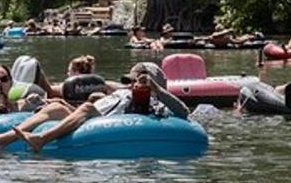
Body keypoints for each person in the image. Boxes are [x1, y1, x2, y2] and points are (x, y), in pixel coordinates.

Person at [11, 62, 190, 153]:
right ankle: (0, 140)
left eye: (140, 81)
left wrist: (155, 89)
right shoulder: (122, 94)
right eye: (131, 80)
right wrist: (58, 104)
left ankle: (41, 139)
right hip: (102, 120)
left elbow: (184, 113)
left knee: (88, 105)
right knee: (57, 106)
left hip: (129, 128)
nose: (133, 84)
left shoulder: (158, 103)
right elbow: (97, 111)